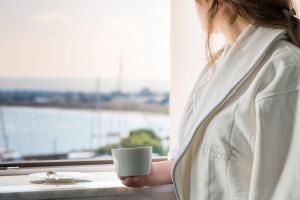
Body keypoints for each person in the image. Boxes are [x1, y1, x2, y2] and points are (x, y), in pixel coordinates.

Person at [119, 0, 300, 199]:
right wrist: (161, 171)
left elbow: (287, 189)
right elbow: (222, 158)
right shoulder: (218, 68)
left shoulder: (286, 71)